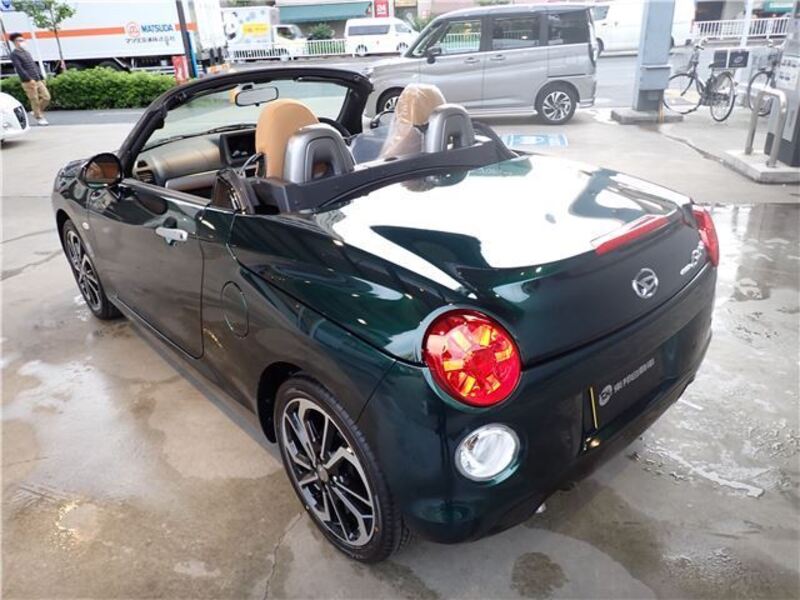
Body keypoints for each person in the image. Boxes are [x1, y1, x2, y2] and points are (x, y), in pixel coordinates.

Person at [8, 33, 50, 126]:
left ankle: (35, 112)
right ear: (15, 42)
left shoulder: (27, 52)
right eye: (20, 40)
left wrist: (41, 77)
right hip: (28, 82)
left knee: (46, 97)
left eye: (23, 40)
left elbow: (34, 65)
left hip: (37, 79)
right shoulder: (14, 54)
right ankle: (39, 118)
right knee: (34, 99)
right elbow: (19, 68)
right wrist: (28, 79)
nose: (23, 42)